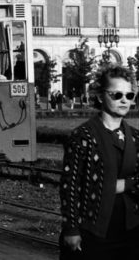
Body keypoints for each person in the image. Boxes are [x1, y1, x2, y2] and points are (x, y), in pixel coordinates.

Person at [59, 65, 139, 258]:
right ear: (101, 96)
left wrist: (125, 184)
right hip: (93, 232)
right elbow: (69, 186)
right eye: (117, 94)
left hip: (132, 232)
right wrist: (71, 229)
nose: (123, 101)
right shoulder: (82, 137)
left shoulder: (136, 138)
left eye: (129, 96)